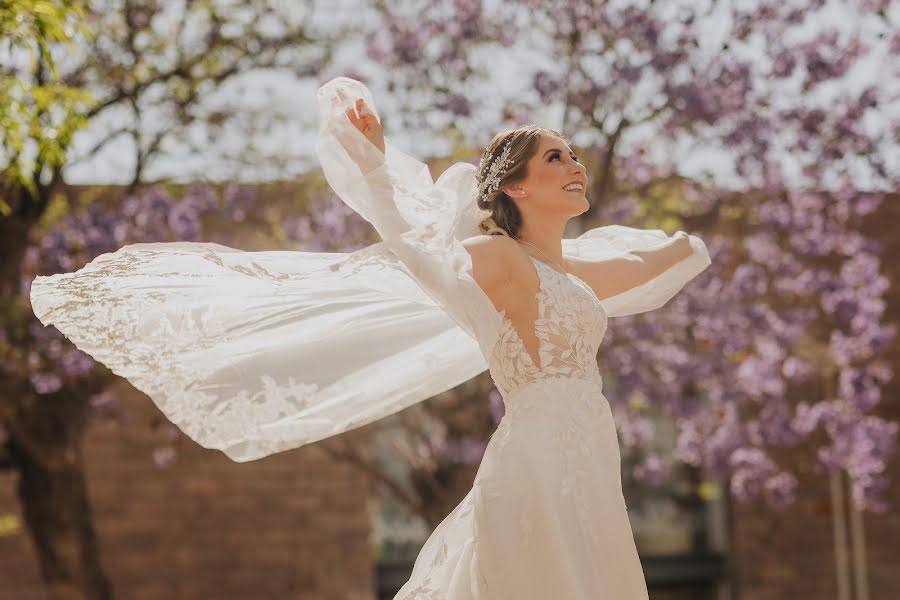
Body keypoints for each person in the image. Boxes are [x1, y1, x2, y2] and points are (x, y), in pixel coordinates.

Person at [30, 76, 711, 598]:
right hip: (540, 451)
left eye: (573, 155)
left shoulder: (567, 269)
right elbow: (422, 251)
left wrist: (689, 247)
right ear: (518, 188)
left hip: (587, 452)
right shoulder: (499, 259)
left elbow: (641, 267)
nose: (575, 165)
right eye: (555, 157)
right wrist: (377, 169)